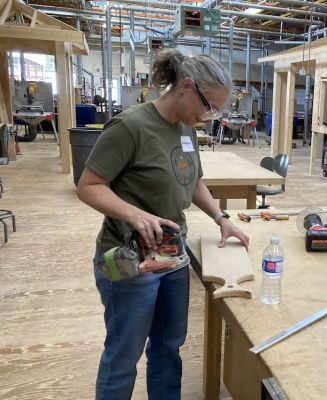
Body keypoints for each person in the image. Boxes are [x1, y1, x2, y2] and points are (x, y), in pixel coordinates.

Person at [77, 49, 249, 400]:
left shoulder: (186, 127)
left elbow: (194, 180)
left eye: (216, 110)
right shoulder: (130, 126)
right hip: (129, 259)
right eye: (208, 106)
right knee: (124, 354)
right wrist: (134, 214)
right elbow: (89, 186)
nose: (210, 116)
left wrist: (221, 218)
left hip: (172, 256)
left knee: (168, 348)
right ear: (185, 87)